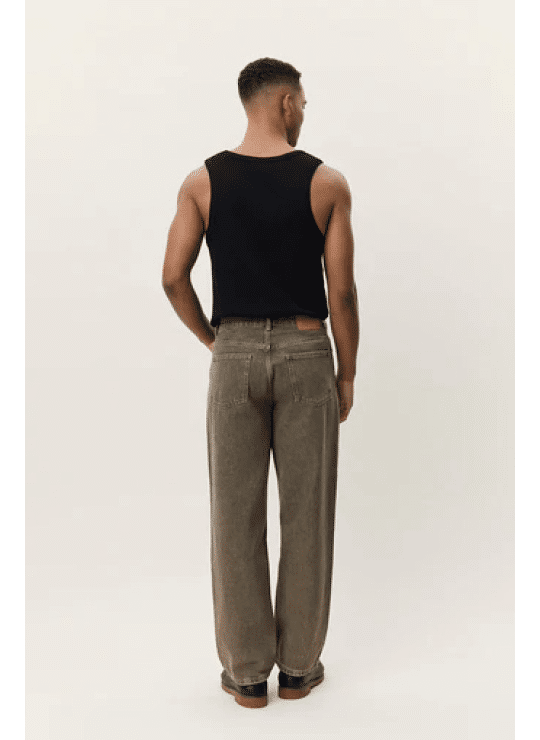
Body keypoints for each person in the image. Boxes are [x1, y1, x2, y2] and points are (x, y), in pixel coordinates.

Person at [162, 57, 359, 708]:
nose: (303, 113)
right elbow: (341, 292)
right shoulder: (326, 182)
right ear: (283, 102)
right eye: (302, 102)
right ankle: (299, 669)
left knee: (234, 518)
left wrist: (214, 340)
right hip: (307, 355)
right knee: (307, 516)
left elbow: (172, 277)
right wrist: (347, 372)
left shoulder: (201, 182)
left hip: (235, 354)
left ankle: (247, 674)